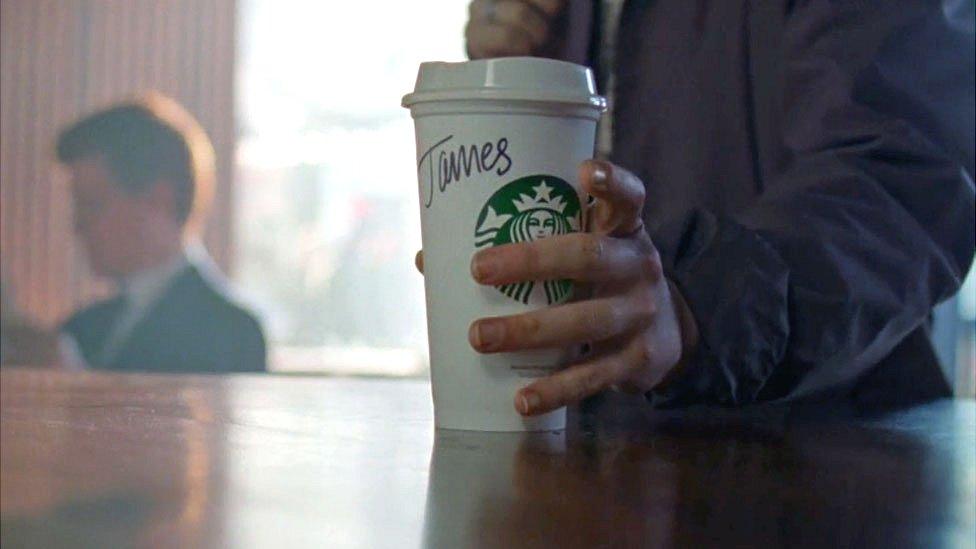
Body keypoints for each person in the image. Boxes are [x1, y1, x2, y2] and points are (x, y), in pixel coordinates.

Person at [455, 0, 975, 414]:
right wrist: (510, 76)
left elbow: (902, 177)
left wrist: (699, 305)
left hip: (822, 468)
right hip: (605, 461)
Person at [56, 94, 267, 373]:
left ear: (158, 201)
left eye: (93, 203)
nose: (77, 225)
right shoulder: (82, 327)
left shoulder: (232, 332)